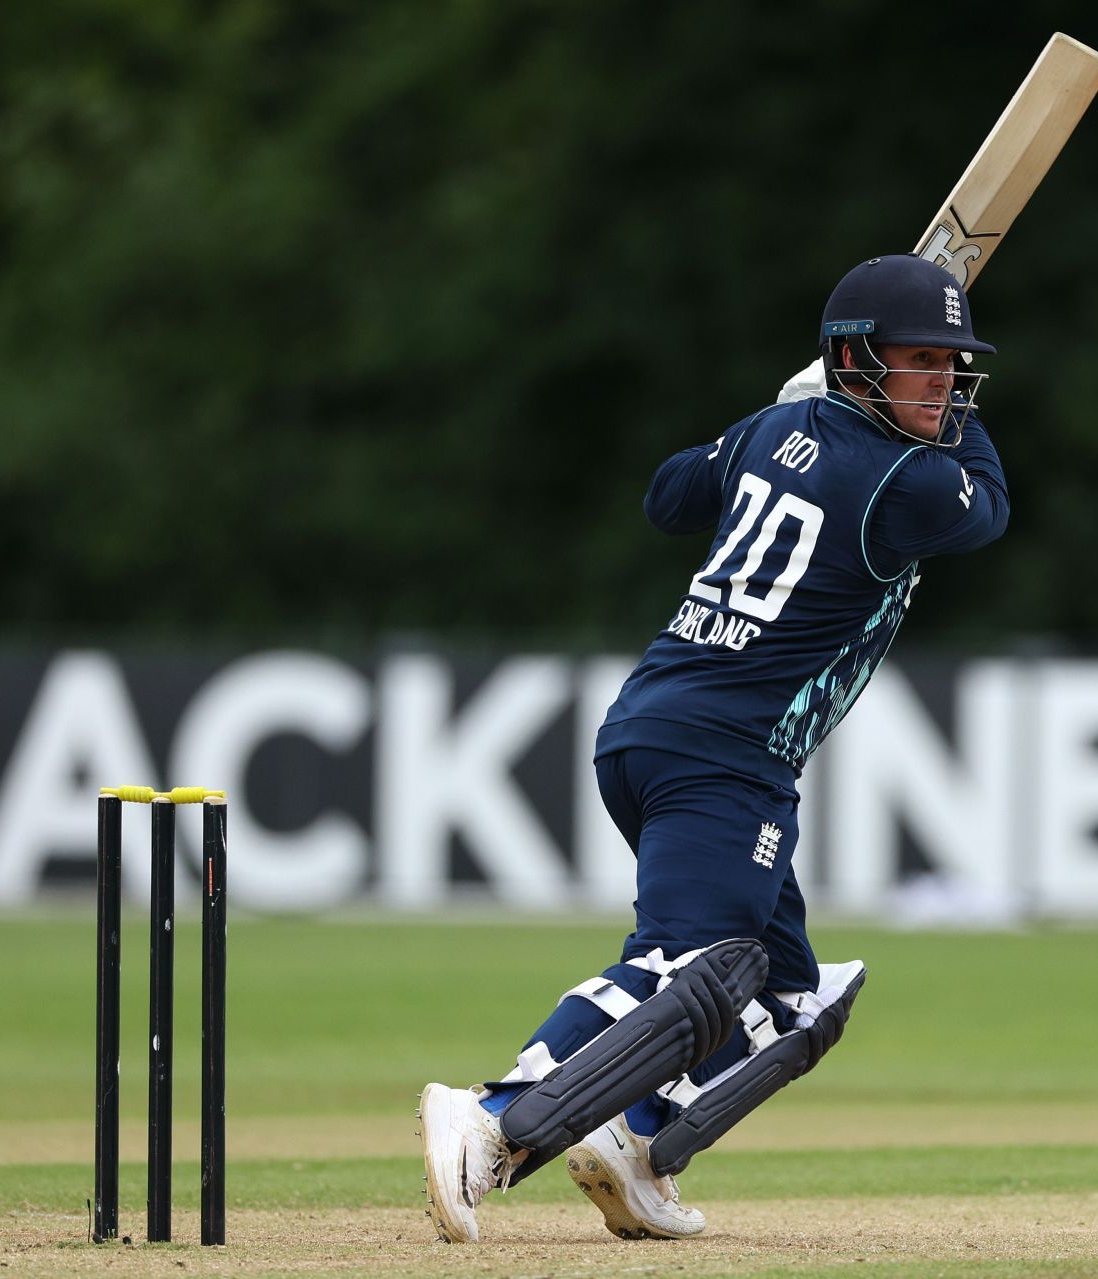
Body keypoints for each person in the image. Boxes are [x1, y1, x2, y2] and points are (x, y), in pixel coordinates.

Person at [418, 253, 1010, 1243]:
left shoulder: (782, 428)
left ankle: (638, 1142)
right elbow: (985, 508)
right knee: (689, 960)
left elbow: (668, 496)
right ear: (854, 359)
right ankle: (492, 1113)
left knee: (791, 999)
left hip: (662, 730)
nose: (944, 387)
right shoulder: (907, 481)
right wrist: (924, 426)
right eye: (919, 362)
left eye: (954, 367)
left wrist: (766, 427)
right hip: (721, 754)